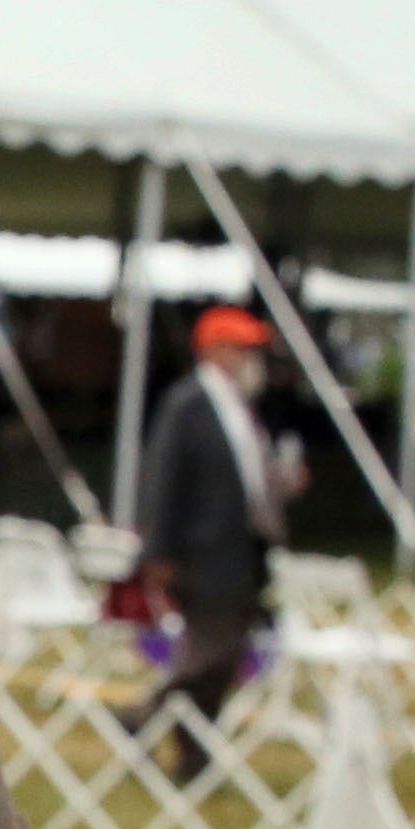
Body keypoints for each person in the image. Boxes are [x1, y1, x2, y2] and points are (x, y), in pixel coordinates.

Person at [133, 299, 299, 730]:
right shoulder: (187, 405)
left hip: (242, 552)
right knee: (215, 651)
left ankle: (192, 744)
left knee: (227, 655)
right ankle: (141, 716)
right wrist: (159, 551)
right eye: (244, 349)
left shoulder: (240, 408)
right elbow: (164, 480)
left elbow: (243, 478)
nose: (253, 360)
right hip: (199, 553)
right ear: (215, 350)